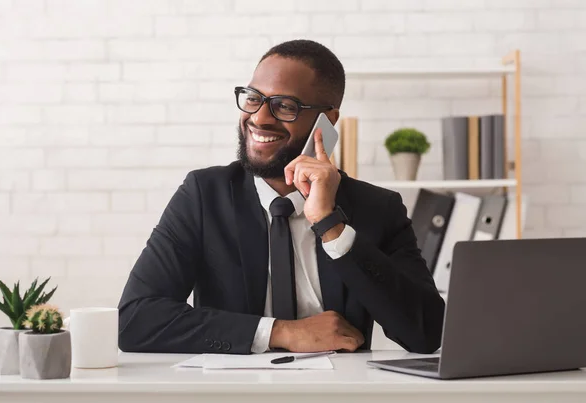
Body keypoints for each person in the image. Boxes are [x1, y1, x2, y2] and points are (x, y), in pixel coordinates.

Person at [117, 39, 445, 355]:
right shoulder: (204, 195)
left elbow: (426, 333)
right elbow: (134, 320)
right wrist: (282, 332)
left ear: (327, 122)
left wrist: (331, 225)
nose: (259, 117)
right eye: (253, 98)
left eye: (284, 106)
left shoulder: (377, 208)